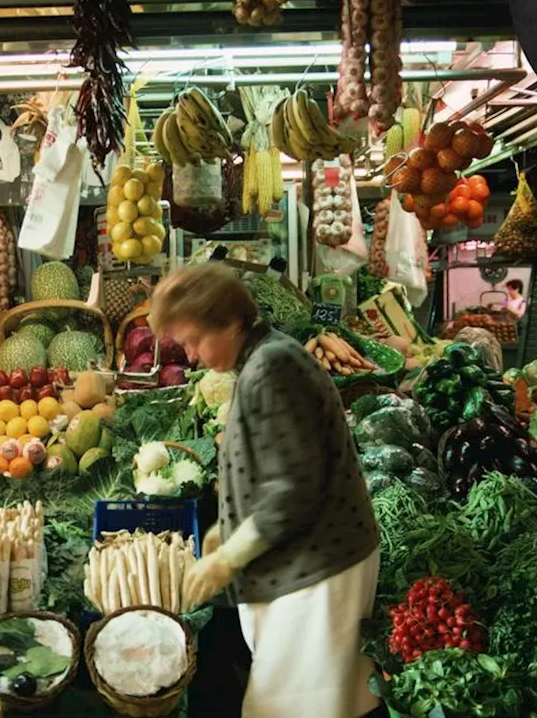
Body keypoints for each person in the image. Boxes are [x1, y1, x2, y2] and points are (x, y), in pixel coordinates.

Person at [149, 263, 381, 718]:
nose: (191, 356)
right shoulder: (262, 358)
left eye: (194, 340)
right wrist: (225, 532)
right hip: (311, 560)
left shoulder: (273, 367)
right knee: (326, 700)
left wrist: (229, 558)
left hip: (317, 566)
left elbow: (293, 488)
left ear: (232, 321)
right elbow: (273, 461)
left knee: (287, 705)